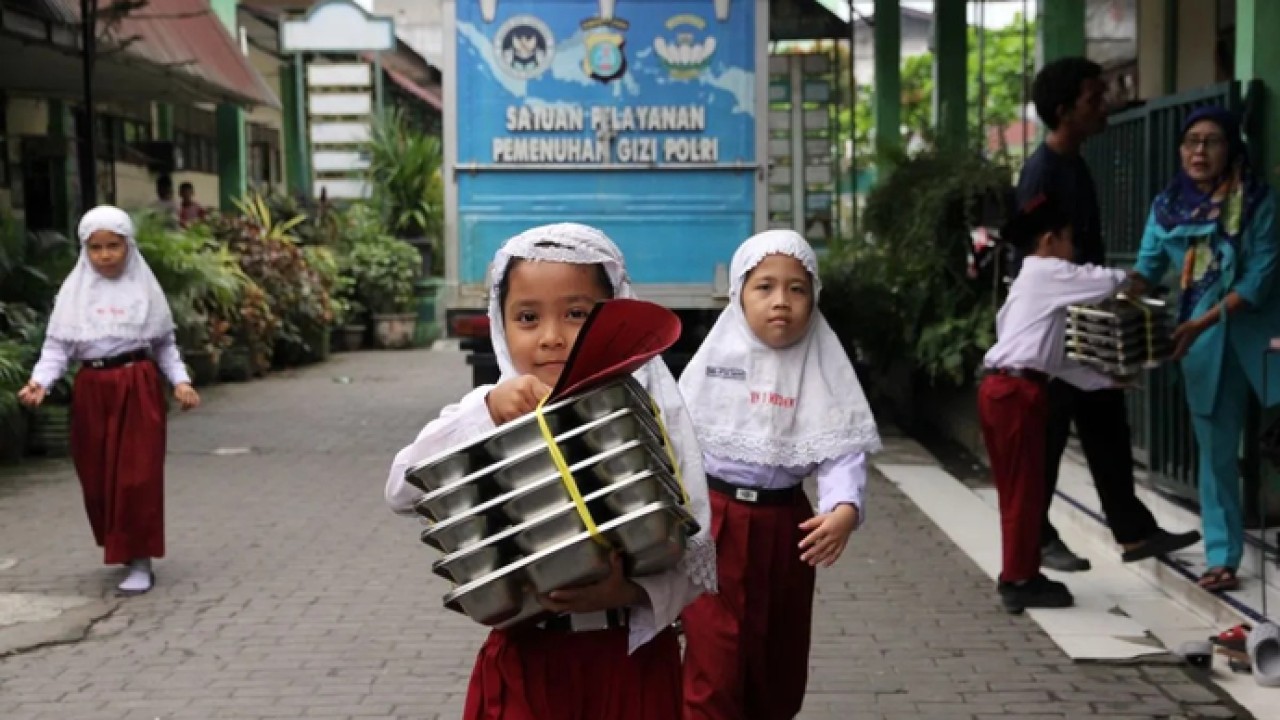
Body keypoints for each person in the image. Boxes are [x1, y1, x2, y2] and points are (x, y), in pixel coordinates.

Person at [384, 223, 717, 719]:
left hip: (630, 661)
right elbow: (401, 489)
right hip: (527, 663)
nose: (551, 338)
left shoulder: (646, 418)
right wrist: (487, 412)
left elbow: (696, 555)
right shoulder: (485, 411)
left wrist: (627, 592)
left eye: (576, 314)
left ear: (614, 315)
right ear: (500, 325)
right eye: (527, 317)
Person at [678, 230, 880, 719]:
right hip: (713, 523)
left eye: (797, 289)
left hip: (787, 529)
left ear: (814, 298)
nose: (781, 301)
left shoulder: (823, 364)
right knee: (715, 658)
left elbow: (842, 450)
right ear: (739, 294)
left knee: (776, 657)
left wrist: (843, 509)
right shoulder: (712, 365)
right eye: (764, 287)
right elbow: (674, 445)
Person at [1017, 57, 1199, 572]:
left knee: (1106, 426)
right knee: (1049, 438)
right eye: (1093, 98)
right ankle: (1036, 538)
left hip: (1087, 326)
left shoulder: (1074, 163)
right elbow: (1036, 261)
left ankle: (1133, 531)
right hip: (1057, 334)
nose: (1106, 106)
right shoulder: (1042, 174)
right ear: (1063, 110)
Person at [1129, 106, 1279, 593]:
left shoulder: (1259, 202)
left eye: (1211, 141)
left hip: (1262, 336)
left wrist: (1203, 320)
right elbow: (1146, 269)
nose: (1199, 151)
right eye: (1191, 141)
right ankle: (1222, 556)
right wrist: (1106, 293)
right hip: (1202, 346)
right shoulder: (1166, 207)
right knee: (1216, 455)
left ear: (1231, 148)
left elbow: (1259, 279)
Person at [16, 205, 201, 595]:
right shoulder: (74, 294)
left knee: (137, 476)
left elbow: (165, 345)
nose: (105, 255)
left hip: (137, 386)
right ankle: (120, 544)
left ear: (127, 245)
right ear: (85, 250)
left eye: (113, 246)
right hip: (92, 390)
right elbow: (57, 347)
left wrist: (181, 382)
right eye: (96, 247)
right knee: (98, 478)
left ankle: (140, 559)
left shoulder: (145, 290)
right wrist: (40, 382)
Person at [981, 195, 1134, 613]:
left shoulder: (1029, 284)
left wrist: (1108, 381)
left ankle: (1021, 571)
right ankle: (1019, 580)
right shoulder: (1047, 271)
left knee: (1019, 488)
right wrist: (1140, 276)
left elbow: (1057, 361)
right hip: (1017, 394)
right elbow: (1105, 281)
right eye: (1069, 240)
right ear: (1050, 240)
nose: (1074, 251)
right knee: (1025, 490)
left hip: (1002, 388)